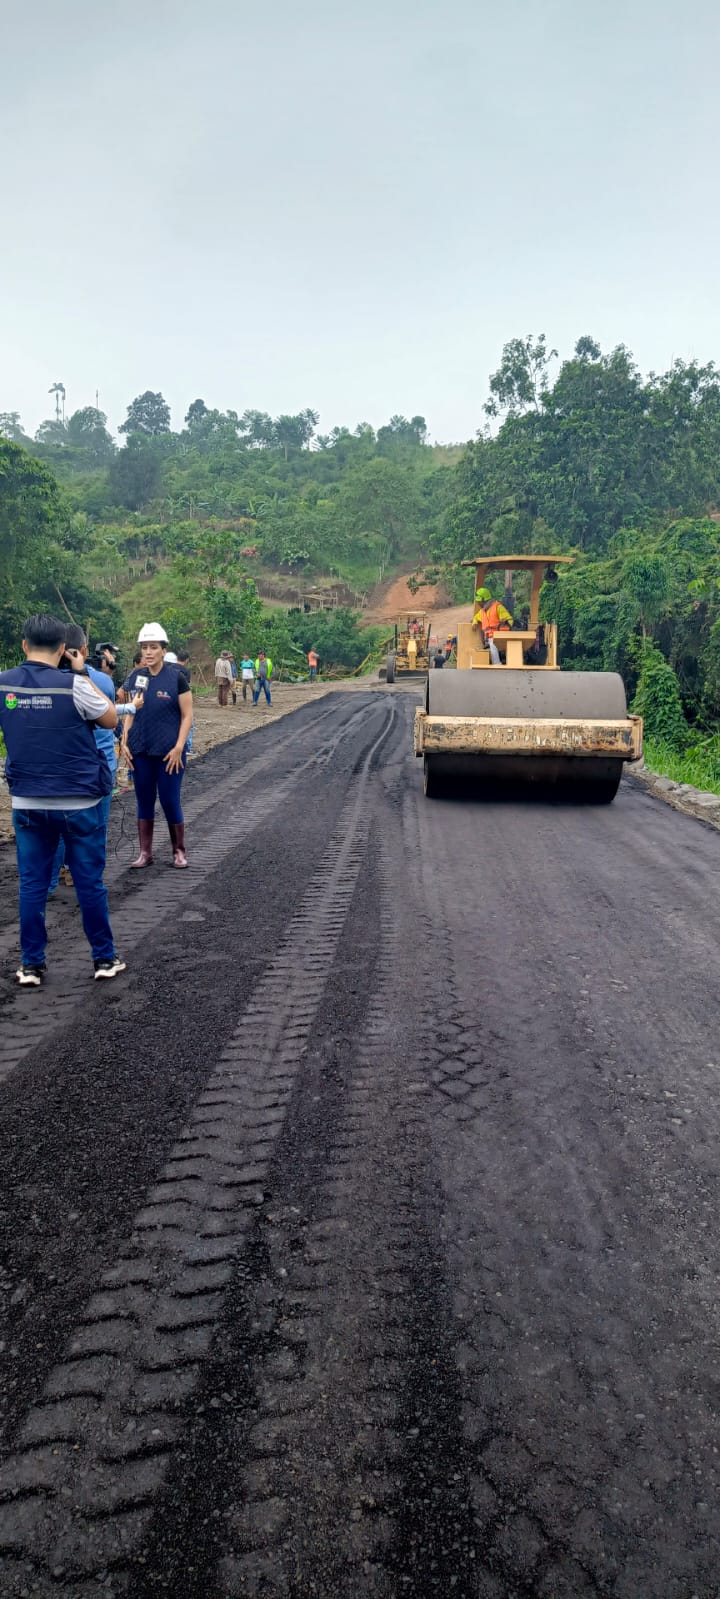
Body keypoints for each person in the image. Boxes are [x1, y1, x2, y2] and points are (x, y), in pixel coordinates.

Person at [0, 614, 126, 985]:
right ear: (62, 649)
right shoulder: (74, 684)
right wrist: (82, 672)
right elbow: (110, 720)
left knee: (32, 884)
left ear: (24, 645)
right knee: (89, 883)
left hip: (27, 802)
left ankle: (31, 965)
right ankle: (104, 958)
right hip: (79, 803)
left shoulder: (4, 684)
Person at [47, 624, 128, 895]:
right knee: (95, 825)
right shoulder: (101, 681)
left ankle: (53, 877)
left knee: (59, 825)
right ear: (83, 650)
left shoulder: (47, 680)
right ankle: (87, 878)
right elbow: (109, 717)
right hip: (99, 764)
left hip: (61, 764)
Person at [122, 623, 193, 869]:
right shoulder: (136, 678)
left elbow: (187, 715)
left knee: (170, 800)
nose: (148, 652)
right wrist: (124, 740)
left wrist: (179, 747)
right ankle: (145, 853)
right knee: (144, 800)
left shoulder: (177, 678)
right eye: (144, 647)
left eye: (153, 647)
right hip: (140, 750)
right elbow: (130, 711)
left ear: (164, 650)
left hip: (169, 753)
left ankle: (179, 851)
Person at [473, 587, 514, 665]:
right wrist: (474, 623)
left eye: (478, 601)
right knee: (489, 644)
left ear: (484, 600)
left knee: (492, 643)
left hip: (500, 636)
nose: (478, 603)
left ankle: (497, 664)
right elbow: (476, 617)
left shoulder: (497, 607)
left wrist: (505, 622)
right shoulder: (482, 611)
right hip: (488, 638)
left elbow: (510, 620)